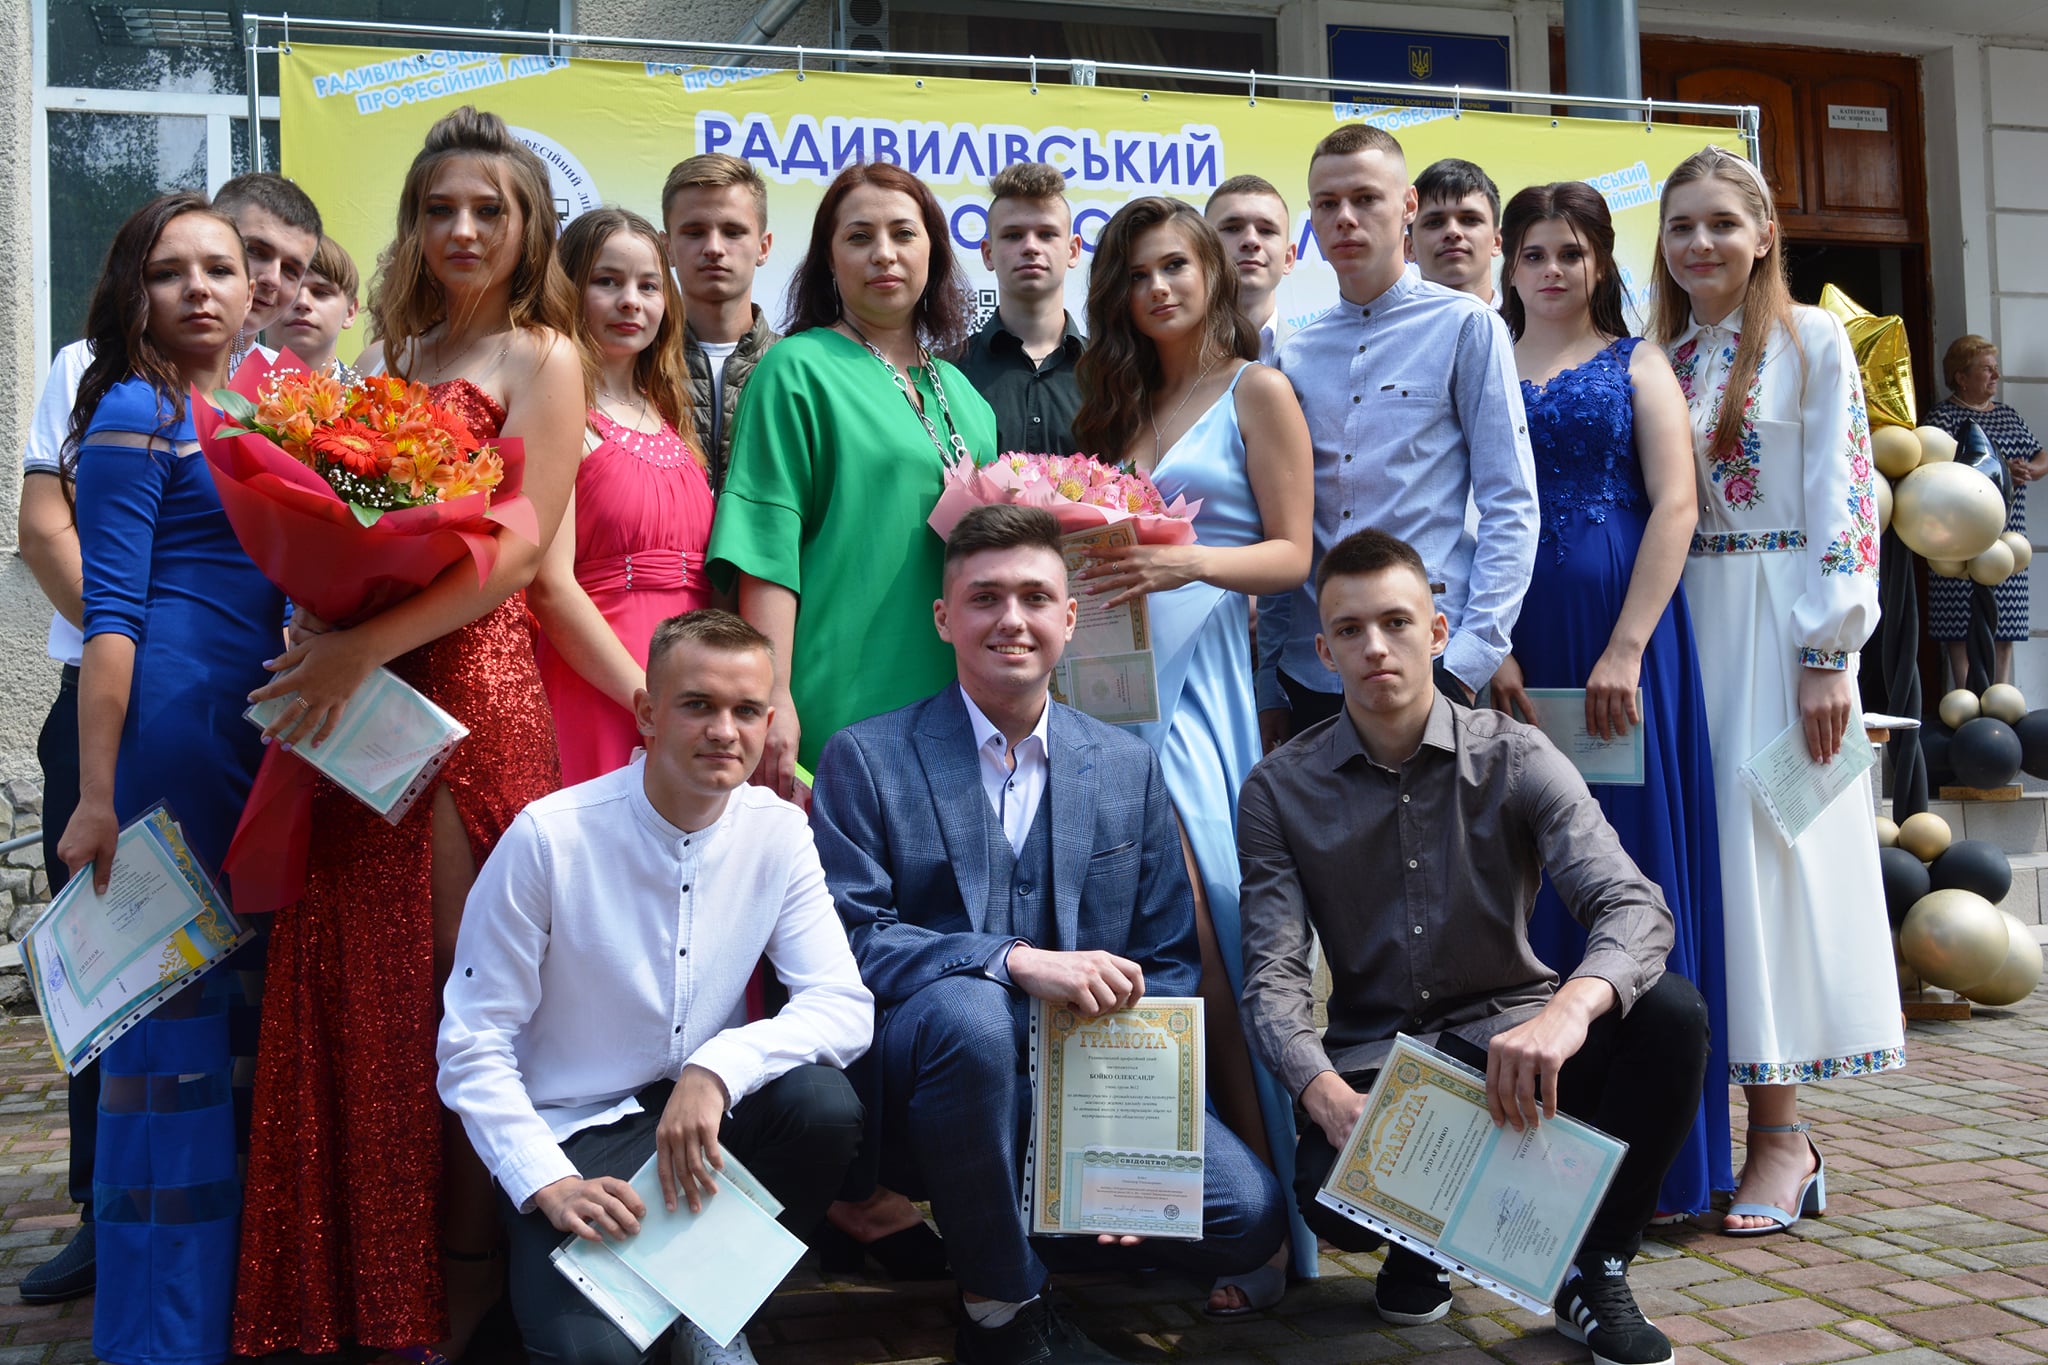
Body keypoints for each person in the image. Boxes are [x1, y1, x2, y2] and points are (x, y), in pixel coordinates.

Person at [233, 106, 585, 1362]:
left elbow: (520, 556)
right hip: (360, 700)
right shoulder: (388, 353)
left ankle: (471, 1283)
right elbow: (342, 518)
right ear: (412, 224)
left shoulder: (545, 356)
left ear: (528, 225)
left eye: (489, 209)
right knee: (358, 985)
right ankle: (363, 1287)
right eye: (440, 209)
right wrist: (319, 616)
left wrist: (358, 645)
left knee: (461, 994)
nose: (462, 230)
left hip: (469, 701)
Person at [811, 506, 1286, 1365]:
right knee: (970, 1013)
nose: (1012, 619)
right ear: (943, 618)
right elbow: (853, 938)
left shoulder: (1129, 767)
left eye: (1035, 597)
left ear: (1070, 618)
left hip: (1088, 1082)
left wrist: (1130, 1135)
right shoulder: (866, 757)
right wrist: (1010, 960)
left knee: (1248, 1216)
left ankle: (1017, 1224)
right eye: (984, 597)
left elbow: (1167, 959)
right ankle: (1003, 1311)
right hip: (927, 1083)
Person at [1238, 528, 1709, 1365]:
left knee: (1670, 1013)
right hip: (1383, 1060)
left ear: (1438, 631)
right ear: (1323, 651)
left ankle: (1595, 1267)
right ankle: (1419, 1248)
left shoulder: (1516, 754)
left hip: (1518, 1043)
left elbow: (1633, 904)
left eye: (1396, 622)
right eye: (1350, 629)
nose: (1375, 646)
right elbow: (1272, 975)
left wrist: (1568, 1012)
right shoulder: (1278, 789)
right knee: (1326, 1195)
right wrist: (1321, 1090)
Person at [12, 170, 320, 1310]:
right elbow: (111, 618)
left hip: (255, 729)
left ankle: (236, 1299)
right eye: (168, 271)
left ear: (255, 290)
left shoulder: (254, 407)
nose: (198, 289)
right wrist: (97, 795)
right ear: (131, 293)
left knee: (235, 1018)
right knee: (167, 1027)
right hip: (171, 732)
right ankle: (165, 1317)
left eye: (218, 269)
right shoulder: (133, 409)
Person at [439, 609, 871, 1365]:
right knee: (591, 1356)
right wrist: (548, 1181)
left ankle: (719, 1302)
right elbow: (473, 1042)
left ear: (769, 722)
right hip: (577, 1132)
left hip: (708, 1122)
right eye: (698, 704)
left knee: (822, 1105)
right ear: (647, 711)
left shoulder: (779, 831)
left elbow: (842, 1005)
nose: (724, 731)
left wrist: (716, 1068)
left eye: (746, 711)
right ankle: (657, 1298)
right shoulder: (549, 837)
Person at [1651, 145, 1903, 1236]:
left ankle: (1781, 1137)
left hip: (1779, 628)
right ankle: (1696, 1136)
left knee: (1770, 868)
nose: (1700, 242)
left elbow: (1846, 494)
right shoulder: (1660, 357)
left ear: (1763, 235)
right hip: (1681, 629)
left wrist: (1827, 653)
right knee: (1696, 867)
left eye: (1721, 221)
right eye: (1681, 225)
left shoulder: (1809, 342)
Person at [1068, 196, 1315, 1312]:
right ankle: (1159, 1200)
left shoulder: (1256, 389)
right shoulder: (1116, 401)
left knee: (1216, 942)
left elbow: (1292, 552)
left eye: (1174, 265)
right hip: (1106, 692)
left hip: (1203, 692)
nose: (1157, 288)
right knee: (1136, 956)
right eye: (1135, 274)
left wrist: (1190, 564)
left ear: (1212, 270)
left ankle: (1263, 1227)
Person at [1486, 181, 1730, 1220]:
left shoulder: (1639, 362)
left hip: (1620, 648)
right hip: (1514, 643)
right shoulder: (1483, 358)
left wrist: (1626, 648)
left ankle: (1653, 1164)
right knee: (1524, 873)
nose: (1552, 269)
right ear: (1508, 265)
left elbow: (1675, 504)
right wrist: (1487, 643)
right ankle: (1533, 1155)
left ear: (1599, 263)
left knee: (1627, 867)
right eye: (1533, 252)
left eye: (1571, 251)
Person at [710, 160, 996, 791]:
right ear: (830, 261)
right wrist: (771, 694)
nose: (883, 254)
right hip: (836, 701)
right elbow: (766, 550)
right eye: (859, 237)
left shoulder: (967, 398)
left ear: (934, 252)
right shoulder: (795, 370)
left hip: (961, 706)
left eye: (904, 234)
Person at [1256, 124, 1537, 750]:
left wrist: (1471, 658)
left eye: (1365, 199)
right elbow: (1285, 525)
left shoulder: (1467, 327)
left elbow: (1511, 502)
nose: (1344, 218)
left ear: (1407, 205)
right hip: (1312, 667)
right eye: (1327, 204)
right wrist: (1269, 678)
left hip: (1430, 661)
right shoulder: (1293, 354)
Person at [530, 207, 717, 785]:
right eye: (607, 281)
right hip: (602, 684)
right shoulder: (555, 407)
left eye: (649, 286)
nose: (631, 301)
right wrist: (648, 700)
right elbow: (548, 587)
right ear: (568, 290)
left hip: (690, 688)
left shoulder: (671, 413)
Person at [1926, 334, 2044, 686]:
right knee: (1959, 620)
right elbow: (1933, 468)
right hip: (1960, 534)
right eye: (1987, 369)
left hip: (2008, 535)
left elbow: (2040, 455)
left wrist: (2028, 470)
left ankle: (2001, 695)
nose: (1996, 375)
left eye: (1996, 368)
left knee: (2005, 621)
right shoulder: (1943, 417)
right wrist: (1999, 470)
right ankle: (1965, 697)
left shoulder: (2007, 414)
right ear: (1961, 376)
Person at [663, 153, 779, 491]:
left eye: (732, 232)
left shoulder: (796, 367)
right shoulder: (634, 366)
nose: (714, 248)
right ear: (667, 247)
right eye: (694, 232)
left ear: (763, 247)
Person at [957, 161, 1086, 455]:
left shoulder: (1112, 374)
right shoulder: (948, 372)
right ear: (988, 254)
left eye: (1047, 234)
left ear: (1073, 251)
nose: (1030, 247)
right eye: (1013, 235)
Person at [1204, 174, 1298, 365]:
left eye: (1266, 230)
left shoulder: (1318, 357)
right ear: (1202, 250)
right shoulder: (1170, 358)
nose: (1251, 240)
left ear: (1289, 258)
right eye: (1232, 228)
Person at [1410, 158, 1504, 304]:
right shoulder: (1382, 319)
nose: (1452, 231)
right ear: (1409, 247)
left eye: (1470, 220)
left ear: (1497, 241)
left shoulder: (1533, 318)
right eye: (1434, 222)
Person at [276, 234, 363, 379]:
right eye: (289, 290)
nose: (302, 302)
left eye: (321, 292)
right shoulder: (233, 382)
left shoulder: (372, 391)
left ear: (350, 312)